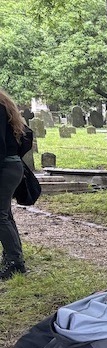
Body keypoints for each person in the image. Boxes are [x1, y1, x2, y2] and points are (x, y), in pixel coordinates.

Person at [0, 88, 26, 280]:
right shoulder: (4, 105)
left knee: (0, 216)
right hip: (11, 164)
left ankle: (15, 262)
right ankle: (13, 256)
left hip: (5, 167)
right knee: (5, 214)